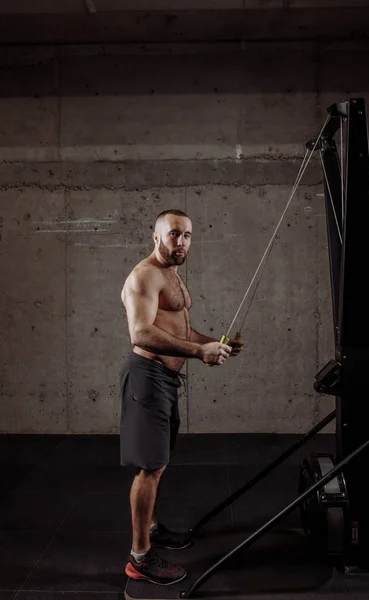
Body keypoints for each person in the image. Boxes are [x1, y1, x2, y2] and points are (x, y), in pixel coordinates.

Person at [120, 209, 244, 586]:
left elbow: (178, 328)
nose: (182, 242)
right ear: (155, 236)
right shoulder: (144, 276)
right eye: (174, 234)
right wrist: (198, 353)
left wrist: (211, 342)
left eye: (188, 235)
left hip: (167, 380)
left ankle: (153, 529)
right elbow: (141, 333)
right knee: (150, 468)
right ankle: (139, 558)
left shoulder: (171, 275)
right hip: (147, 378)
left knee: (160, 464)